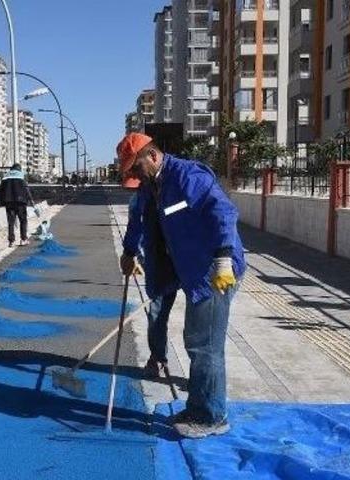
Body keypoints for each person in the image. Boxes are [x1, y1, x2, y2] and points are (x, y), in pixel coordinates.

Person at [116, 132, 245, 439]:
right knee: (196, 341)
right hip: (188, 268)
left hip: (214, 271)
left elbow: (223, 213)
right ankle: (198, 407)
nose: (135, 175)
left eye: (136, 168)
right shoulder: (150, 187)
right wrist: (129, 252)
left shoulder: (188, 176)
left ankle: (212, 417)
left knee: (205, 344)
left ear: (152, 156)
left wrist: (223, 258)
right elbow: (138, 219)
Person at [121, 183, 179, 380]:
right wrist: (133, 255)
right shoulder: (138, 201)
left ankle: (201, 377)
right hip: (160, 263)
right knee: (157, 312)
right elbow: (135, 229)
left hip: (190, 261)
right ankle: (157, 358)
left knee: (197, 329)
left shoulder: (178, 192)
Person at [0, 164, 34, 247]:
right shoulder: (21, 175)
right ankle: (23, 239)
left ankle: (11, 241)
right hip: (21, 202)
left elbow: (0, 190)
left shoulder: (6, 176)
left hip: (9, 202)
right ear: (19, 169)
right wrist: (31, 200)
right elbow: (26, 189)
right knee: (23, 220)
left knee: (11, 222)